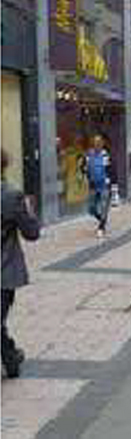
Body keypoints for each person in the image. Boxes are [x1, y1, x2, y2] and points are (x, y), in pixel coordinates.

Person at [2, 149, 40, 378]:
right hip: (5, 272)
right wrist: (30, 210)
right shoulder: (11, 196)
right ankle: (11, 358)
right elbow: (32, 233)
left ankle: (11, 359)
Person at [84, 135, 113, 237]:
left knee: (104, 206)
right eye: (96, 142)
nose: (97, 144)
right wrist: (87, 176)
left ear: (102, 144)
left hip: (104, 185)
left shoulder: (106, 155)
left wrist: (111, 183)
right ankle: (102, 219)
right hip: (93, 185)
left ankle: (101, 227)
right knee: (91, 208)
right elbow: (85, 167)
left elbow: (111, 169)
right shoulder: (89, 155)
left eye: (99, 142)